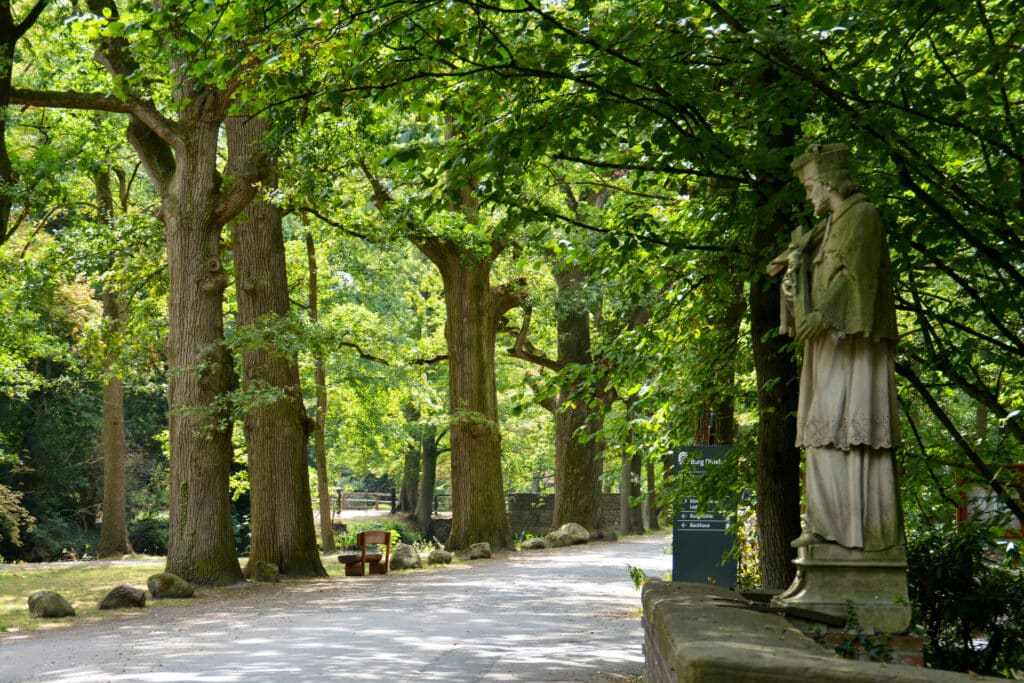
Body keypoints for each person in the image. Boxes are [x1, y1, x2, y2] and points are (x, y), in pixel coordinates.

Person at [778, 143, 902, 552]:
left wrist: (823, 314)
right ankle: (826, 524)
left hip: (852, 347)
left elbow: (857, 280)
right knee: (821, 432)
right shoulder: (828, 226)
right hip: (827, 346)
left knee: (845, 430)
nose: (810, 194)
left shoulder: (862, 217)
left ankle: (855, 533)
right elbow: (818, 283)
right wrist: (794, 286)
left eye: (812, 185)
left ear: (829, 181)